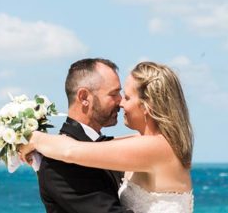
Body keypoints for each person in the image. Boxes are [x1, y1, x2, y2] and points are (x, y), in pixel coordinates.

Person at [21, 61, 194, 213]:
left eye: (126, 96)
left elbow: (71, 151)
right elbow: (97, 146)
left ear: (147, 106)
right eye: (116, 95)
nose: (121, 103)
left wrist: (35, 139)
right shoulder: (148, 145)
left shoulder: (156, 148)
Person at [32, 57, 133, 213]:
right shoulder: (59, 164)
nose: (120, 102)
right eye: (114, 94)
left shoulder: (100, 144)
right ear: (84, 97)